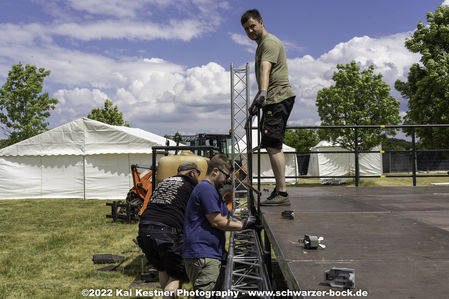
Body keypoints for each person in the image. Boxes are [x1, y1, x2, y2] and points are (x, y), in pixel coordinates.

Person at [241, 9, 296, 206]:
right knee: (271, 143)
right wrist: (257, 100)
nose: (250, 31)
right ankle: (279, 190)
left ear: (261, 22)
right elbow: (265, 78)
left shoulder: (269, 42)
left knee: (273, 144)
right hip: (272, 98)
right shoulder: (261, 45)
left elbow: (266, 68)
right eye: (247, 29)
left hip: (277, 98)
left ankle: (282, 193)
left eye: (253, 26)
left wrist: (263, 93)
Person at [183, 154, 256, 295]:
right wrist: (243, 225)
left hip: (208, 252)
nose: (228, 180)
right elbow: (217, 221)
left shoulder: (212, 191)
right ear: (215, 171)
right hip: (203, 253)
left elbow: (226, 216)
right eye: (227, 176)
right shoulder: (206, 189)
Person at [138, 161, 202, 298]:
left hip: (144, 228)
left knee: (163, 268)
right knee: (177, 274)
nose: (199, 177)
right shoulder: (190, 185)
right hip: (167, 231)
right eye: (198, 173)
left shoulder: (163, 182)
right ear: (192, 173)